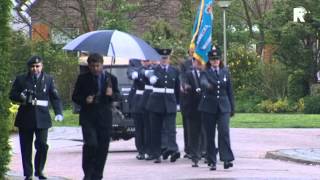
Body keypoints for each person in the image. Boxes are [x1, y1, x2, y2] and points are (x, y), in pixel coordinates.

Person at [9, 55, 63, 180]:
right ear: (29, 67)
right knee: (26, 147)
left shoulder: (48, 79)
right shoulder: (21, 79)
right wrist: (20, 97)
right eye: (32, 66)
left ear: (42, 66)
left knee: (42, 145)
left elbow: (54, 97)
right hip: (26, 117)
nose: (35, 69)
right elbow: (12, 94)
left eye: (37, 66)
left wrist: (58, 112)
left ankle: (40, 170)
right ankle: (28, 173)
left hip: (42, 117)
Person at [72, 53, 120, 180]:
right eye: (92, 66)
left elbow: (118, 97)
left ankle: (97, 175)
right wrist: (85, 100)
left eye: (97, 66)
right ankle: (88, 173)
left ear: (102, 65)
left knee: (103, 147)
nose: (95, 69)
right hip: (88, 117)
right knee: (91, 144)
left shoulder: (111, 79)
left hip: (104, 118)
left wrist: (111, 95)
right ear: (89, 66)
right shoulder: (83, 78)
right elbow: (75, 97)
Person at [198, 46, 235, 170]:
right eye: (213, 59)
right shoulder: (205, 72)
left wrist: (232, 107)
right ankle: (212, 160)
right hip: (208, 107)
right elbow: (202, 81)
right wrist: (207, 85)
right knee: (210, 134)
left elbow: (230, 91)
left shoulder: (225, 72)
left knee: (224, 132)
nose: (215, 61)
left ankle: (226, 159)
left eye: (217, 59)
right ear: (209, 60)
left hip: (224, 106)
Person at [147, 48, 180, 163]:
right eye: (162, 58)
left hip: (170, 102)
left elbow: (177, 88)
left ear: (169, 59)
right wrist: (151, 78)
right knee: (156, 130)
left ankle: (173, 149)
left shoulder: (174, 71)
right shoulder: (153, 70)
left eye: (166, 58)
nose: (164, 60)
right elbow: (147, 78)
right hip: (156, 103)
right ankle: (157, 154)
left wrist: (178, 103)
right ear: (159, 59)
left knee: (171, 129)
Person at [184, 58, 205, 167]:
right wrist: (186, 87)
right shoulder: (189, 74)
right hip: (193, 107)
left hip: (205, 107)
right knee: (194, 133)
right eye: (197, 61)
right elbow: (185, 84)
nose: (199, 63)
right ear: (193, 63)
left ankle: (205, 152)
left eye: (201, 61)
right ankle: (195, 156)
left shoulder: (206, 73)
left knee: (205, 132)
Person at [179, 48, 194, 159]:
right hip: (188, 99)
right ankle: (189, 149)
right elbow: (182, 77)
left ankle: (203, 149)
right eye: (191, 51)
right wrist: (184, 85)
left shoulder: (204, 63)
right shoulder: (185, 64)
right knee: (188, 126)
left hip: (201, 100)